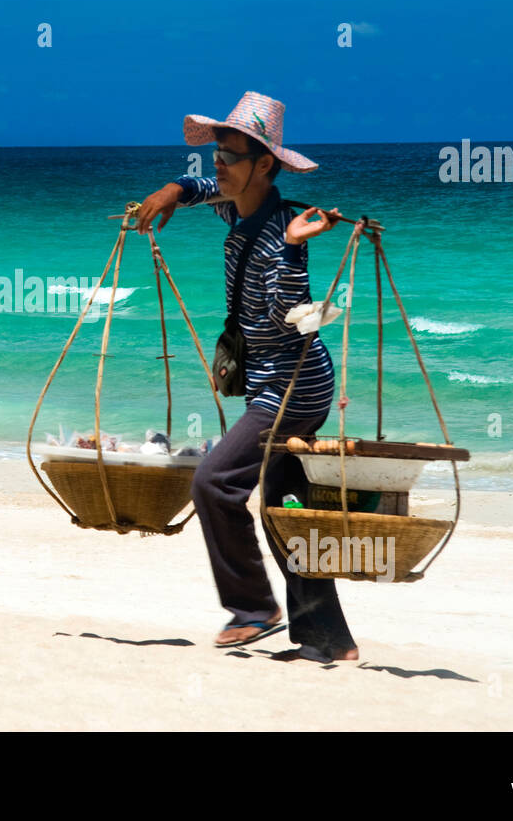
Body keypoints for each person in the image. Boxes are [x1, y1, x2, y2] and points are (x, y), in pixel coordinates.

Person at [136, 91, 359, 663]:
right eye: (215, 158)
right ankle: (329, 641)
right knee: (284, 508)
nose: (218, 168)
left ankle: (254, 609)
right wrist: (173, 190)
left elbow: (291, 320)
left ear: (264, 165)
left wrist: (289, 251)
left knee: (214, 482)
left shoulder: (287, 229)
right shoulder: (237, 205)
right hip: (271, 384)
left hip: (294, 384)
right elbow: (207, 192)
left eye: (229, 158)